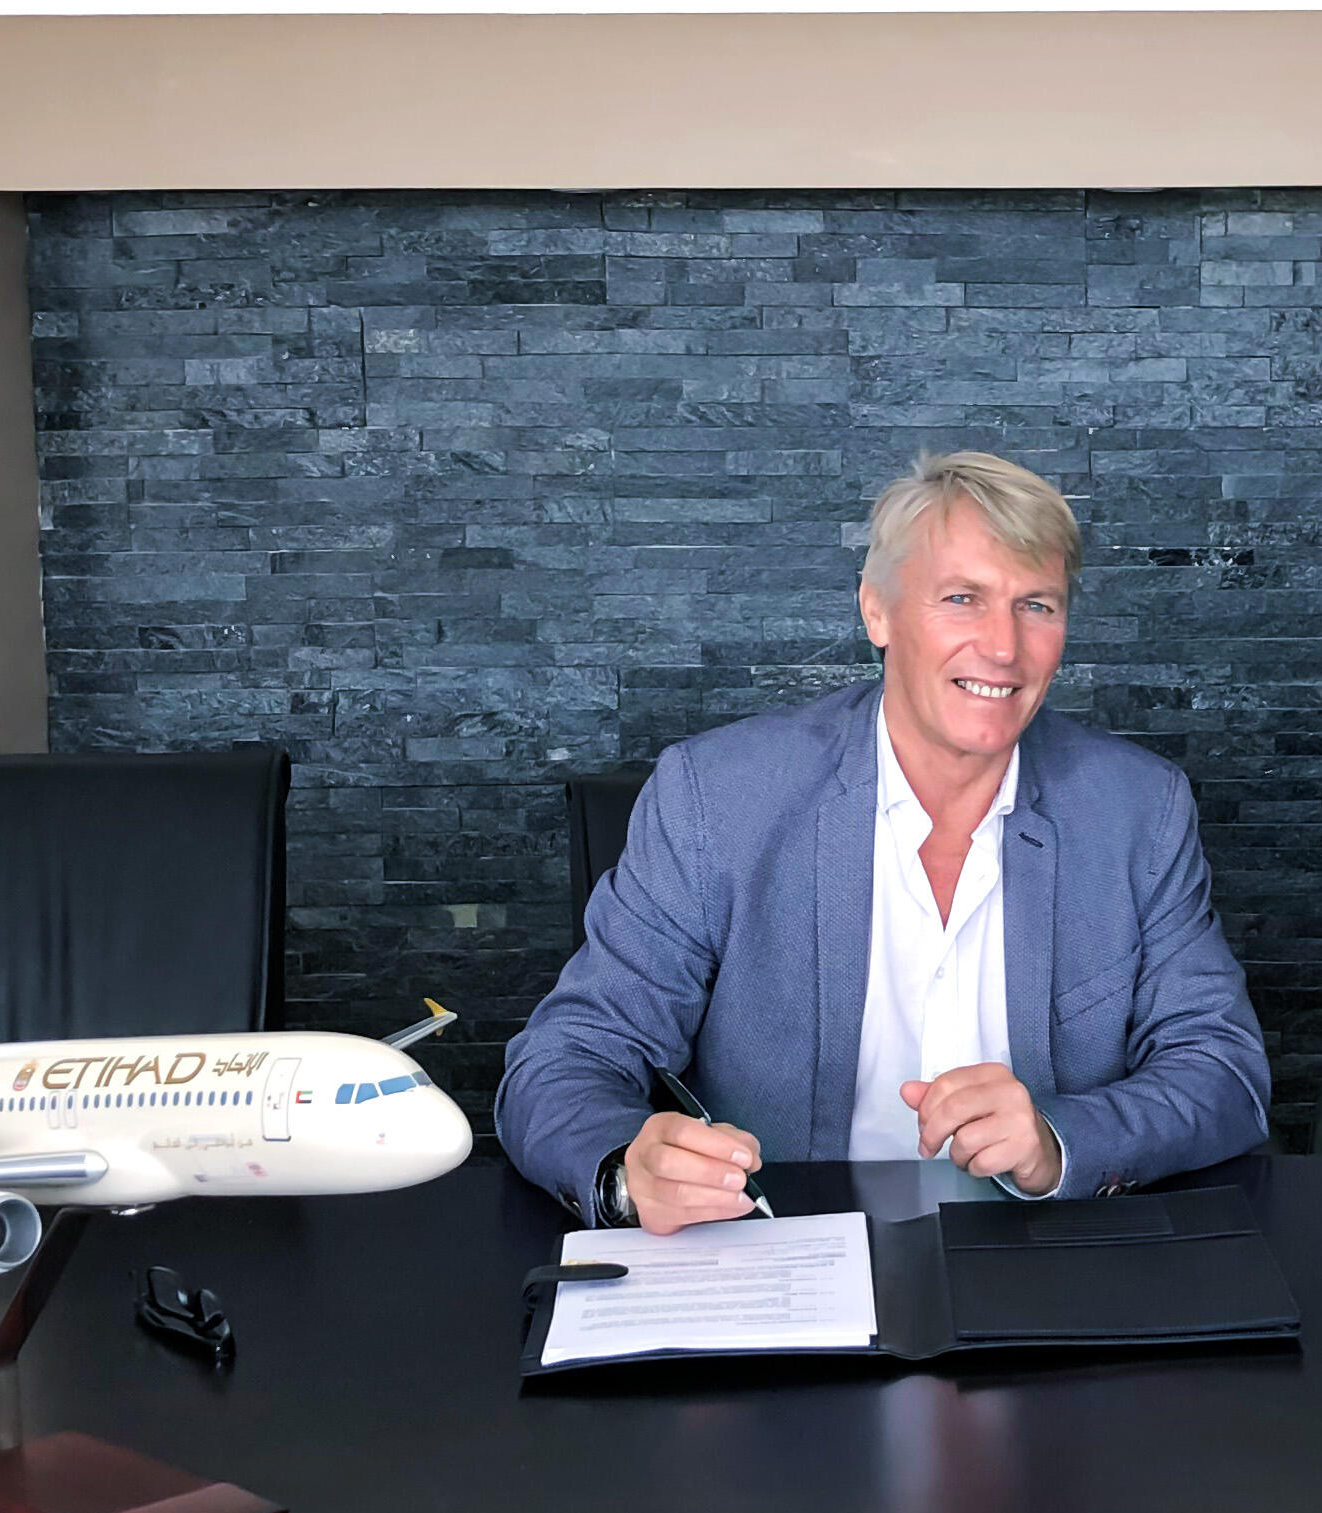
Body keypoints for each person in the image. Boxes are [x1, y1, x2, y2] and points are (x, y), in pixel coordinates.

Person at [497, 451, 1271, 1228]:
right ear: (878, 612)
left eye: (1036, 605)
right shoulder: (716, 798)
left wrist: (1059, 1141)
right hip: (781, 1250)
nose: (1004, 646)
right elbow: (570, 1057)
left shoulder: (1138, 809)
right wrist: (625, 1177)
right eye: (962, 598)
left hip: (1042, 1252)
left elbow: (1222, 1072)